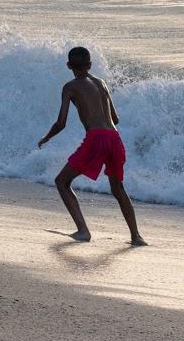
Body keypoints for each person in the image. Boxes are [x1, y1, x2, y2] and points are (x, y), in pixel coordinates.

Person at [37, 46, 145, 244]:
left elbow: (61, 123)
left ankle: (83, 231)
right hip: (115, 138)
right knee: (118, 188)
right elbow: (115, 118)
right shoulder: (101, 83)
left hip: (97, 138)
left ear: (69, 65)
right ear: (90, 65)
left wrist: (46, 137)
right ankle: (136, 236)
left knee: (62, 181)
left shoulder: (70, 87)